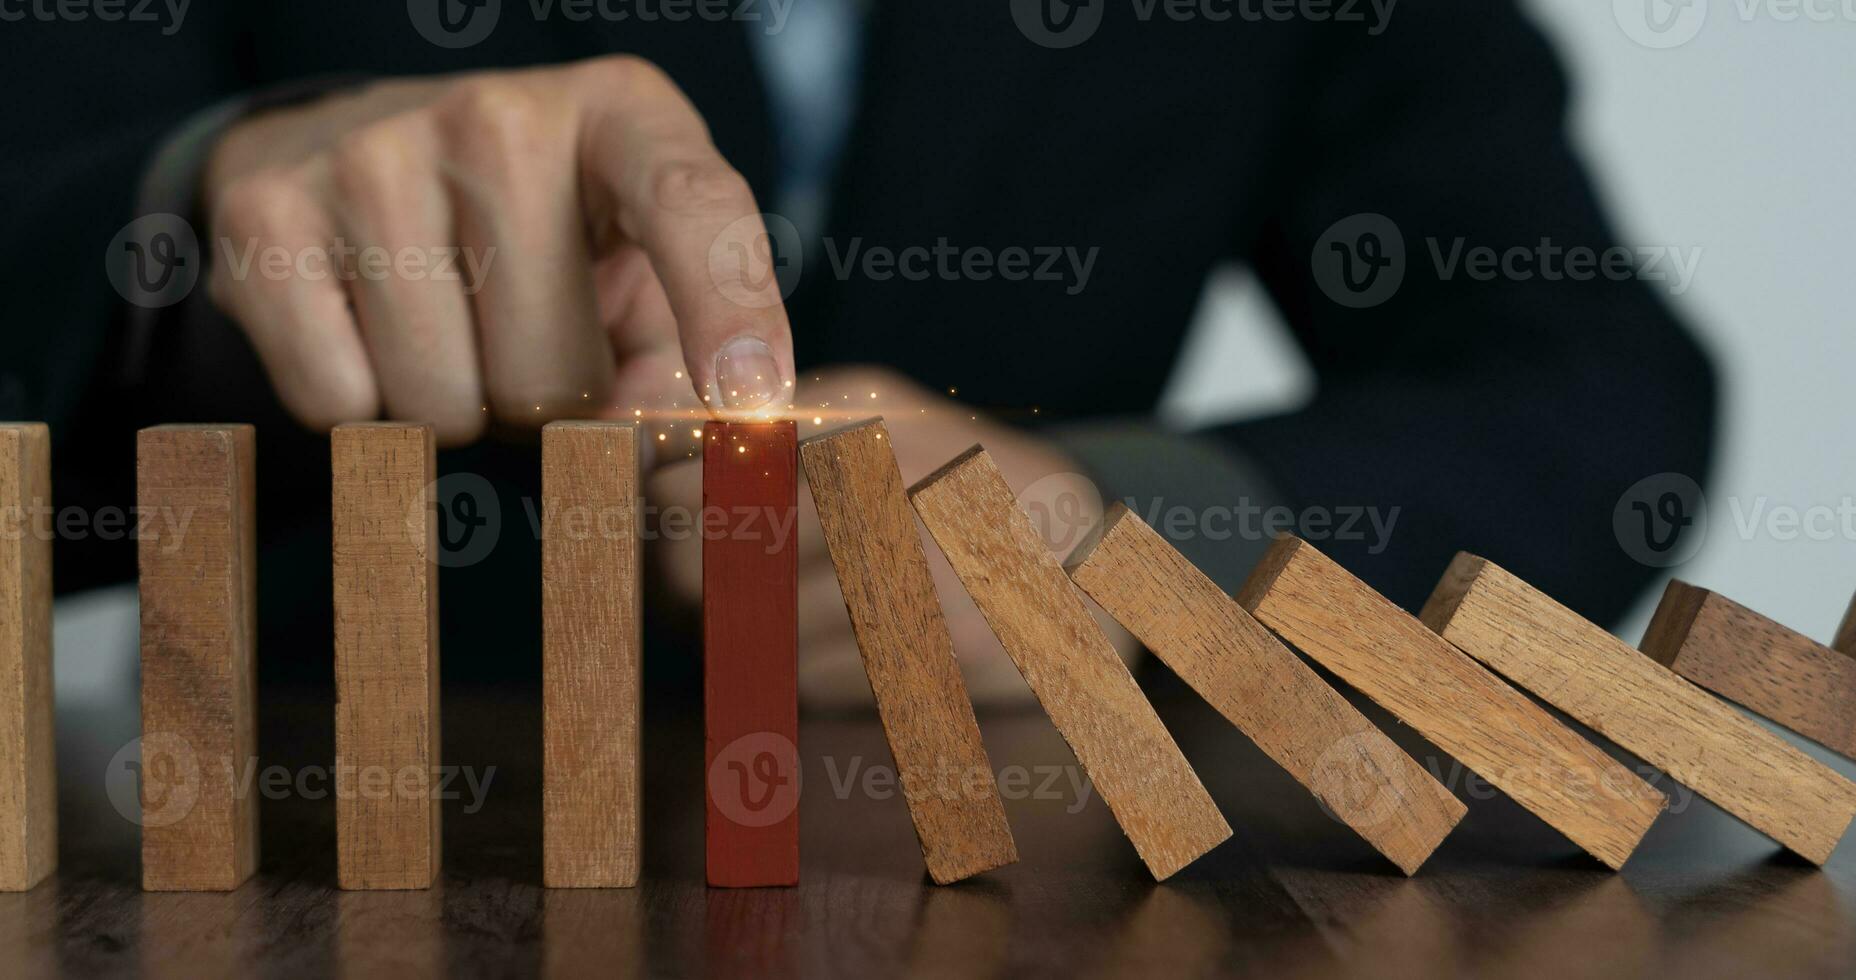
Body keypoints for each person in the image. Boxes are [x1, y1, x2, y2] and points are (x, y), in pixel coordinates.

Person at [0, 1, 1715, 707]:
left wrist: (1130, 533)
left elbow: (1590, 378)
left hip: (1027, 883)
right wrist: (182, 225)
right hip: (314, 845)